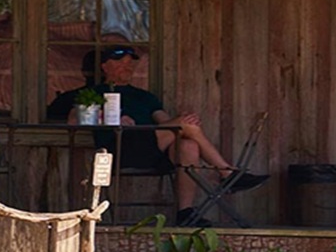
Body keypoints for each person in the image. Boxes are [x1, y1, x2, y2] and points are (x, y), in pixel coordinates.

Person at [47, 45, 266, 226]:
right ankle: (227, 174)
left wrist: (184, 122)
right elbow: (74, 121)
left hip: (152, 149)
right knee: (184, 126)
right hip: (121, 148)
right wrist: (110, 118)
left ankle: (185, 212)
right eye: (119, 62)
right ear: (104, 66)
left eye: (130, 63)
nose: (127, 67)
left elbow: (164, 121)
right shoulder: (94, 92)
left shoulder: (145, 97)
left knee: (189, 144)